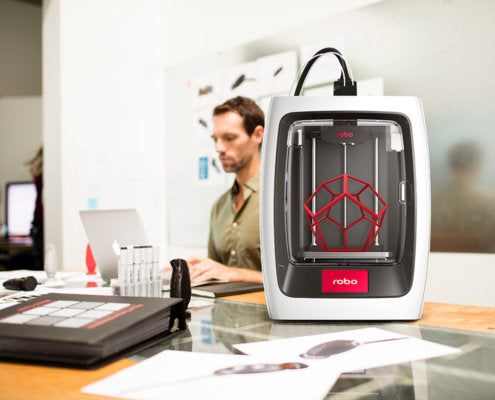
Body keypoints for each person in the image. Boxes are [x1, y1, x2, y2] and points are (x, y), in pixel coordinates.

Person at [187, 96, 264, 283]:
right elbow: (216, 272)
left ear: (257, 135)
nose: (219, 148)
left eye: (229, 138)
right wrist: (193, 270)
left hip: (270, 312)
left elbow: (306, 279)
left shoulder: (286, 198)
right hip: (226, 311)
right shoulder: (219, 207)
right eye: (216, 140)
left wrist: (236, 273)